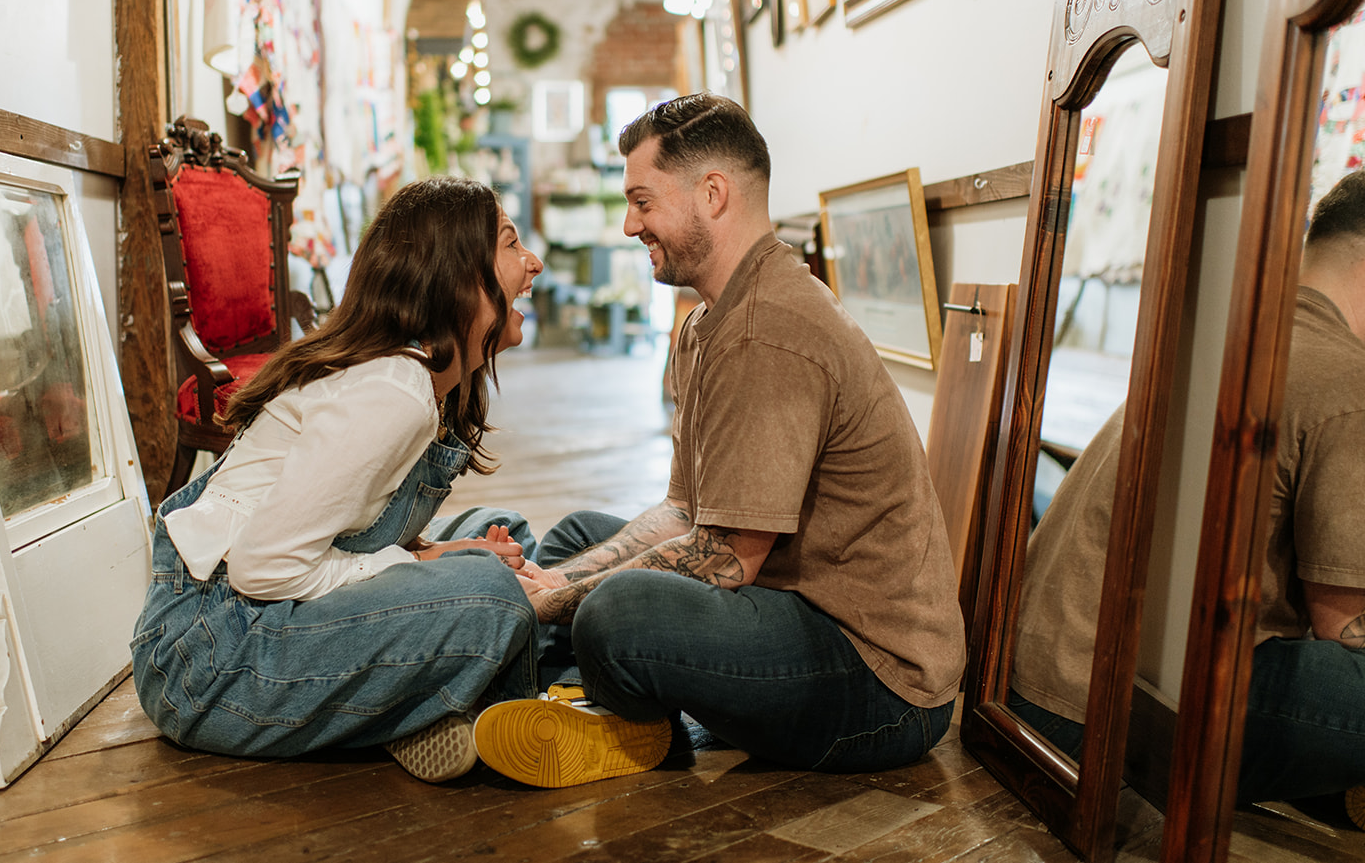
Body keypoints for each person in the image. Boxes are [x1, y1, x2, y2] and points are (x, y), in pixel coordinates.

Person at [471, 92, 967, 788]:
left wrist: (558, 597)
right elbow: (684, 511)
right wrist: (559, 578)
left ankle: (595, 714)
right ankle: (568, 704)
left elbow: (729, 558)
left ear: (712, 194)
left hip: (881, 681)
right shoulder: (710, 321)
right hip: (791, 602)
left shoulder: (771, 328)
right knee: (575, 535)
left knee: (614, 611)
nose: (627, 224)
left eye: (643, 201)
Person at [130, 176, 548, 784]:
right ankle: (445, 707)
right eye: (511, 245)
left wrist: (434, 554)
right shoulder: (393, 393)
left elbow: (339, 537)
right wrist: (428, 568)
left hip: (256, 616)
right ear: (458, 281)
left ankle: (413, 702)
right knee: (491, 594)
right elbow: (263, 569)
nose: (531, 262)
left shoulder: (415, 381)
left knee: (501, 538)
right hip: (210, 659)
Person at [1010, 168, 1365, 822]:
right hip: (1106, 722)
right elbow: (1342, 631)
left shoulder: (1233, 334)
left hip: (1030, 694)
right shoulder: (1347, 379)